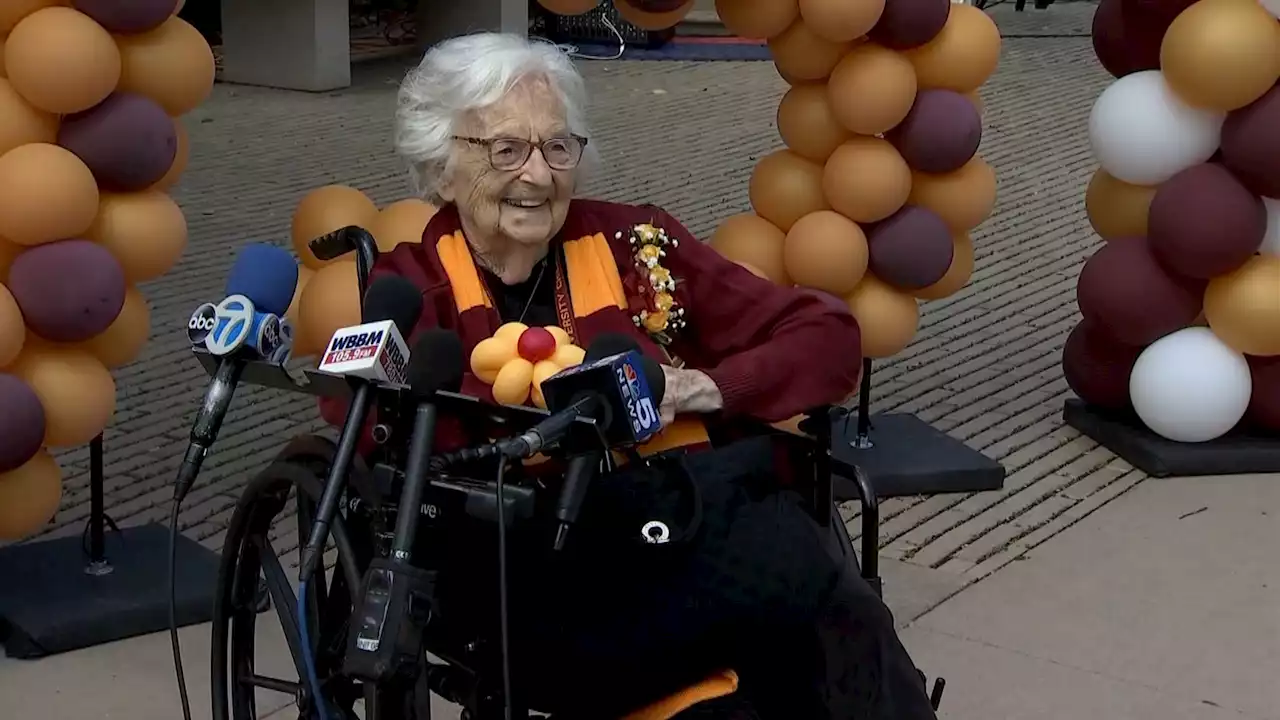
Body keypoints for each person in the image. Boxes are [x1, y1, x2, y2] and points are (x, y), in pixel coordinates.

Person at [320, 32, 939, 720]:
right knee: (783, 645)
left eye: (558, 147)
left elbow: (826, 337)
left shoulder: (636, 246)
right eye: (505, 149)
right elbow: (364, 425)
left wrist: (703, 387)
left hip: (684, 527)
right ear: (441, 167)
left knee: (838, 622)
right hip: (534, 572)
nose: (538, 174)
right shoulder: (411, 286)